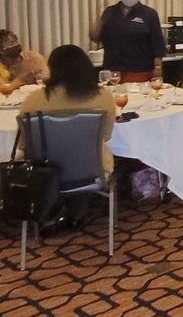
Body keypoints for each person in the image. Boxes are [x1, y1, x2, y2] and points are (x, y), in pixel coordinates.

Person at [18, 45, 116, 229]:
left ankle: (48, 215)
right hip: (90, 170)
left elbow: (25, 144)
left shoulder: (33, 100)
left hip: (43, 171)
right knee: (88, 157)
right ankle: (76, 214)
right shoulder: (103, 98)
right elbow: (105, 136)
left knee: (56, 159)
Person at [89, 0, 166, 83]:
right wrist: (98, 18)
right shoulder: (109, 12)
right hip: (113, 71)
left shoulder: (149, 14)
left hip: (140, 71)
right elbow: (95, 37)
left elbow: (158, 44)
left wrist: (158, 69)